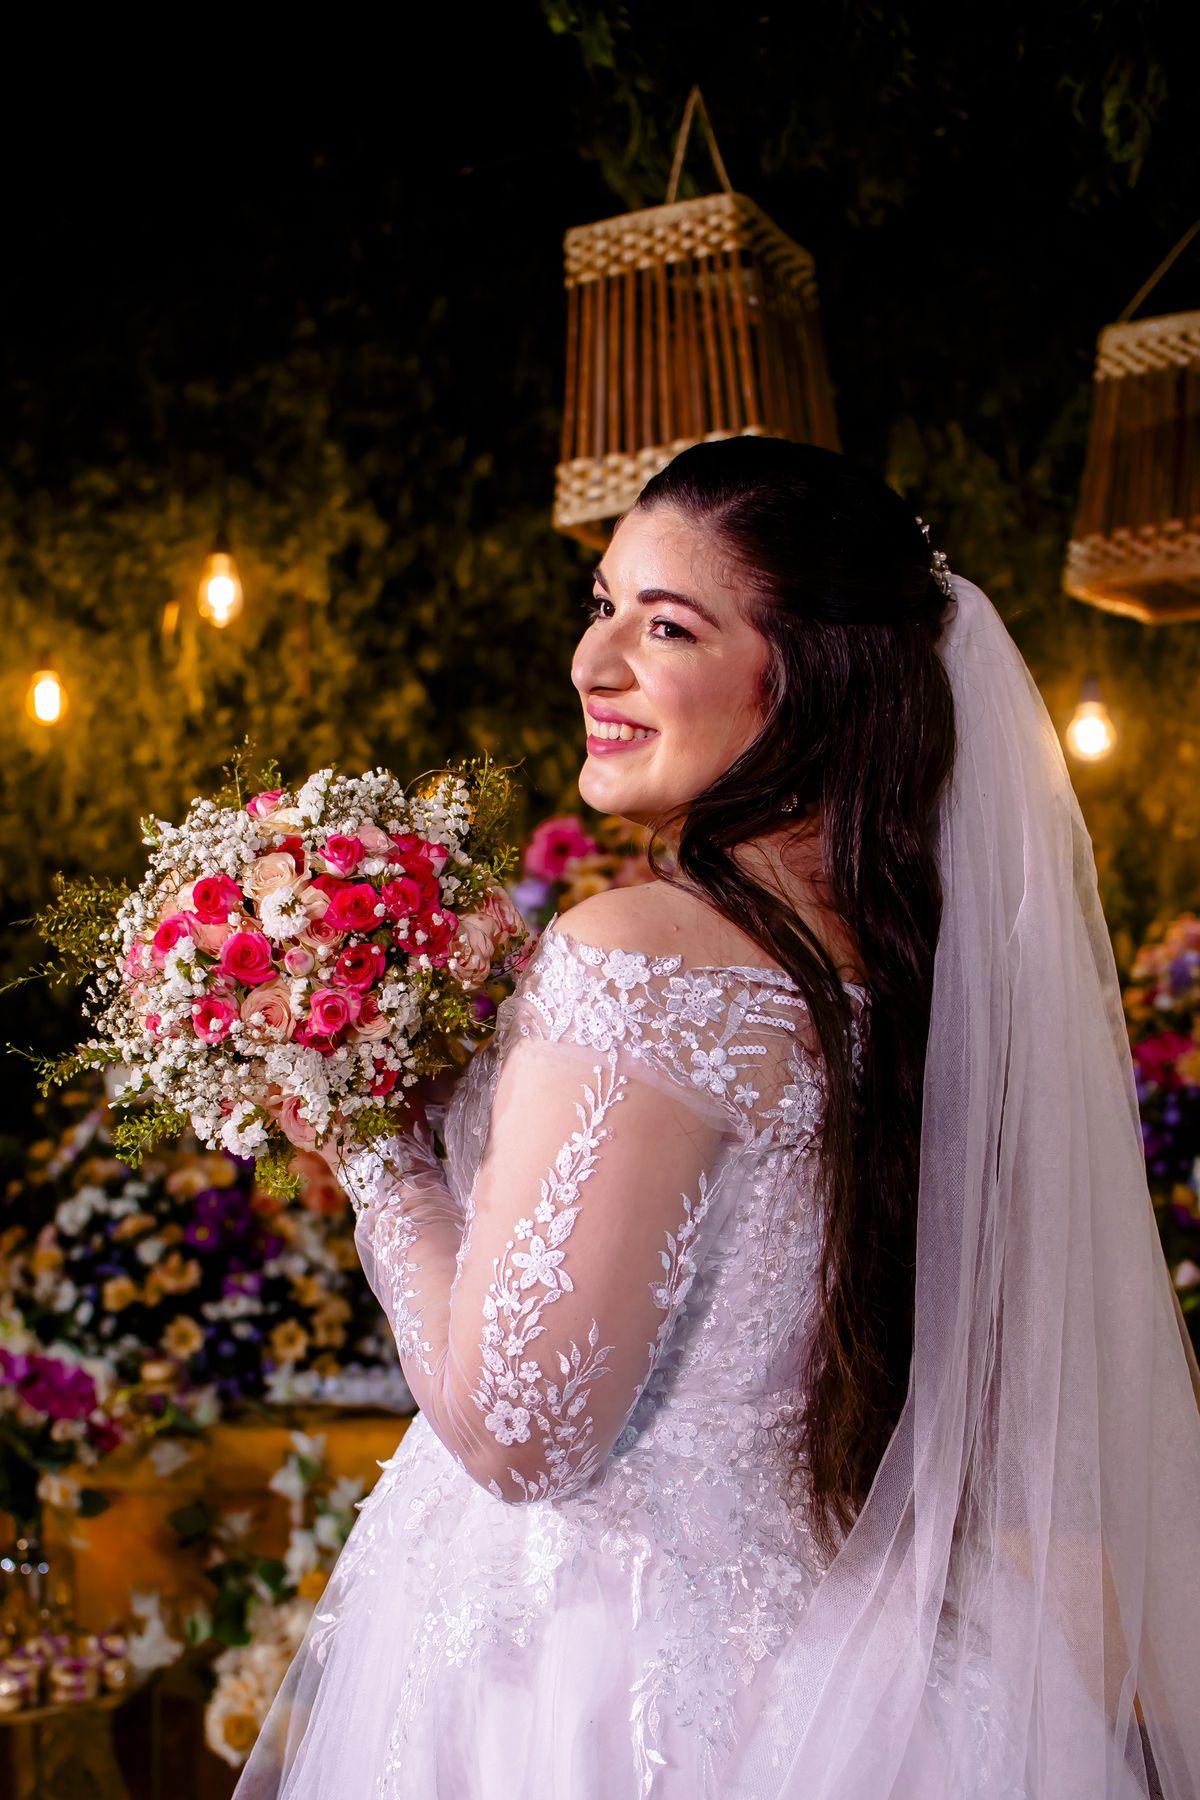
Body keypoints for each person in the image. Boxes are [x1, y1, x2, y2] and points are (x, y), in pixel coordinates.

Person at [236, 438, 1200, 1799]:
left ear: (803, 677)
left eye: (668, 624)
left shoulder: (641, 955)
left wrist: (366, 1143)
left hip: (601, 1690)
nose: (596, 662)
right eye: (603, 606)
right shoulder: (897, 968)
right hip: (848, 1663)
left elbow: (520, 1431)